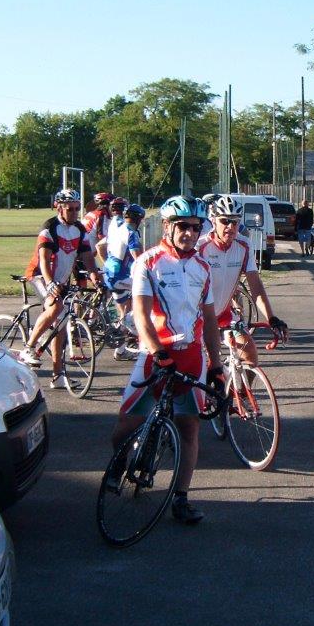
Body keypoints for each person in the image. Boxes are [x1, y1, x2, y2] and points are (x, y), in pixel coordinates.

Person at [110, 195, 225, 525]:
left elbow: (210, 321)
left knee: (189, 428)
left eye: (196, 227)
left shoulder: (203, 267)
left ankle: (181, 497)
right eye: (182, 226)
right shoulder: (148, 262)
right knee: (125, 426)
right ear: (167, 226)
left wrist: (216, 366)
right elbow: (141, 316)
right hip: (155, 355)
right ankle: (119, 464)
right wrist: (159, 353)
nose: (190, 233)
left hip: (191, 357)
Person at [18, 189, 103, 389]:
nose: (74, 212)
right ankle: (29, 347)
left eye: (77, 208)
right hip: (40, 275)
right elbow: (44, 260)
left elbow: (87, 257)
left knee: (61, 326)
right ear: (59, 208)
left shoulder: (79, 229)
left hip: (61, 280)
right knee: (55, 307)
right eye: (70, 209)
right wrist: (50, 283)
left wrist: (94, 275)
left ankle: (57, 375)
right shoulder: (49, 228)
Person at [197, 195, 289, 366]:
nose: (230, 227)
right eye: (225, 221)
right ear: (213, 221)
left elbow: (256, 286)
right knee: (206, 365)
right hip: (199, 317)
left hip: (224, 314)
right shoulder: (200, 248)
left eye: (235, 222)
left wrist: (272, 318)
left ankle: (241, 385)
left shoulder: (244, 245)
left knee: (250, 355)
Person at [100, 203, 145, 361]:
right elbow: (139, 259)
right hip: (119, 277)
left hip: (111, 274)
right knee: (147, 291)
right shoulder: (131, 233)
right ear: (138, 220)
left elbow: (100, 246)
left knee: (125, 311)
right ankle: (139, 334)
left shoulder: (118, 228)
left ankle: (120, 350)